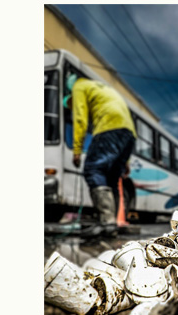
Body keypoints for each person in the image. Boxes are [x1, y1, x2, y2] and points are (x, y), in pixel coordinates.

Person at [65, 73, 136, 237]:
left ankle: (107, 222)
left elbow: (80, 119)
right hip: (129, 133)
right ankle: (113, 225)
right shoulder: (101, 88)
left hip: (108, 126)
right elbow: (124, 121)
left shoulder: (78, 87)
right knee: (112, 178)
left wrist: (77, 150)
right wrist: (126, 160)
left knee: (93, 169)